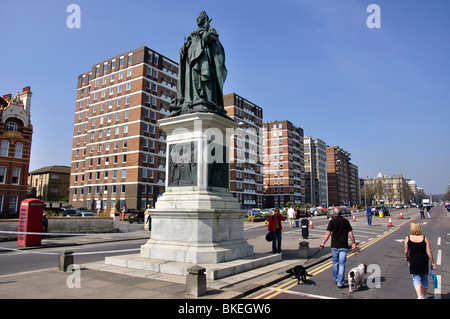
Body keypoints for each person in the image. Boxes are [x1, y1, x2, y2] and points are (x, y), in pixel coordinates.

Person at [320, 207, 357, 288]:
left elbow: (328, 234)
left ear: (335, 213)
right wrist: (353, 243)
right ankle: (340, 282)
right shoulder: (345, 221)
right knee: (342, 264)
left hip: (335, 245)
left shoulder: (332, 221)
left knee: (335, 263)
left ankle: (336, 278)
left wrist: (322, 244)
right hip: (344, 245)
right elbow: (351, 233)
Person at [405, 222, 436, 299]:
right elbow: (429, 251)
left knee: (416, 278)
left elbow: (406, 251)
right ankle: (424, 296)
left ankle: (419, 296)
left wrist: (406, 257)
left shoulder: (408, 238)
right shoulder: (424, 238)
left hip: (413, 259)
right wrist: (432, 262)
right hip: (423, 260)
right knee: (424, 278)